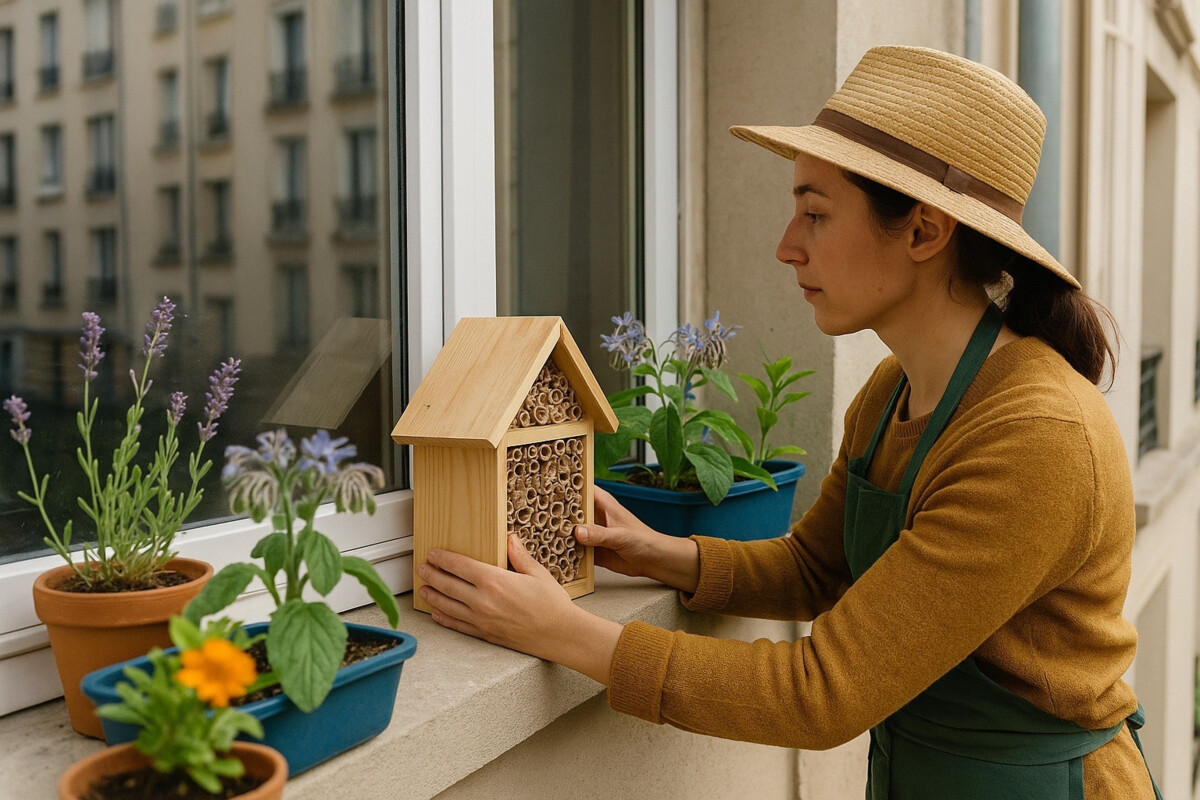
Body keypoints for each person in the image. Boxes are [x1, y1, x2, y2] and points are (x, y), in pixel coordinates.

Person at [415, 46, 1162, 799]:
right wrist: (660, 555)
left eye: (815, 213)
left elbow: (821, 692)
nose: (786, 246)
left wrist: (561, 633)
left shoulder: (1036, 437)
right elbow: (821, 568)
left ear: (924, 233)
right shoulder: (892, 391)